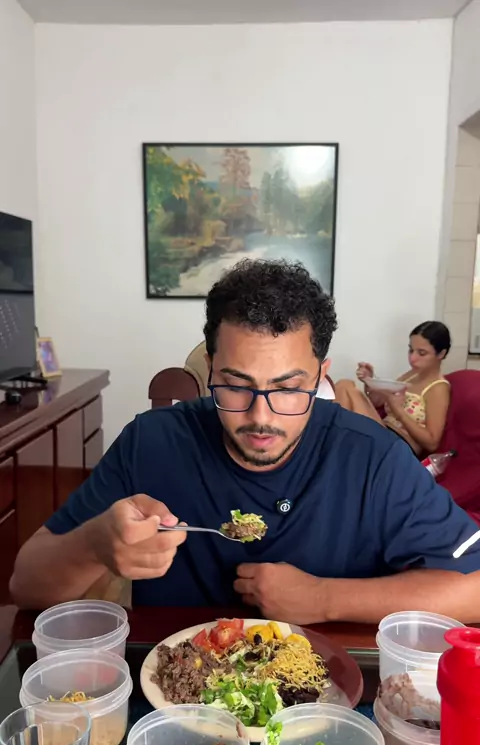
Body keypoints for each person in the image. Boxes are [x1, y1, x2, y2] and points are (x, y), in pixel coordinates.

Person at [10, 261, 480, 625]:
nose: (261, 416)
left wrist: (324, 598)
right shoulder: (152, 442)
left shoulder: (371, 457)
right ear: (210, 369)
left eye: (288, 388)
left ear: (320, 375)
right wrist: (94, 544)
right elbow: (25, 584)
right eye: (236, 385)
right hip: (174, 698)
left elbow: (473, 588)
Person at [335, 321, 451, 456]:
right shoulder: (411, 375)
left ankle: (330, 450)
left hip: (398, 446)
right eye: (411, 350)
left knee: (346, 389)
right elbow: (377, 402)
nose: (412, 358)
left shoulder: (438, 388)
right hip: (384, 430)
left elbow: (432, 443)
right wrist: (370, 381)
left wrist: (399, 411)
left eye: (422, 353)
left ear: (441, 354)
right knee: (345, 385)